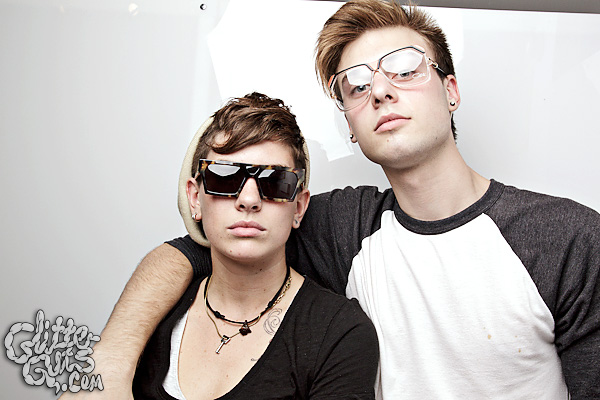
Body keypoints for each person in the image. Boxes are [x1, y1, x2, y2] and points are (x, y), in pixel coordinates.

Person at [64, 1, 599, 399]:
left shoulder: (566, 238)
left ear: (451, 90)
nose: (381, 90)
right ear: (350, 125)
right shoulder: (346, 227)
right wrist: (111, 361)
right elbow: (200, 247)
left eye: (405, 67)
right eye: (356, 85)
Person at [129, 92, 378, 399]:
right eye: (224, 177)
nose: (249, 200)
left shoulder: (340, 334)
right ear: (195, 198)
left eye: (275, 182)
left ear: (299, 207)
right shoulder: (150, 314)